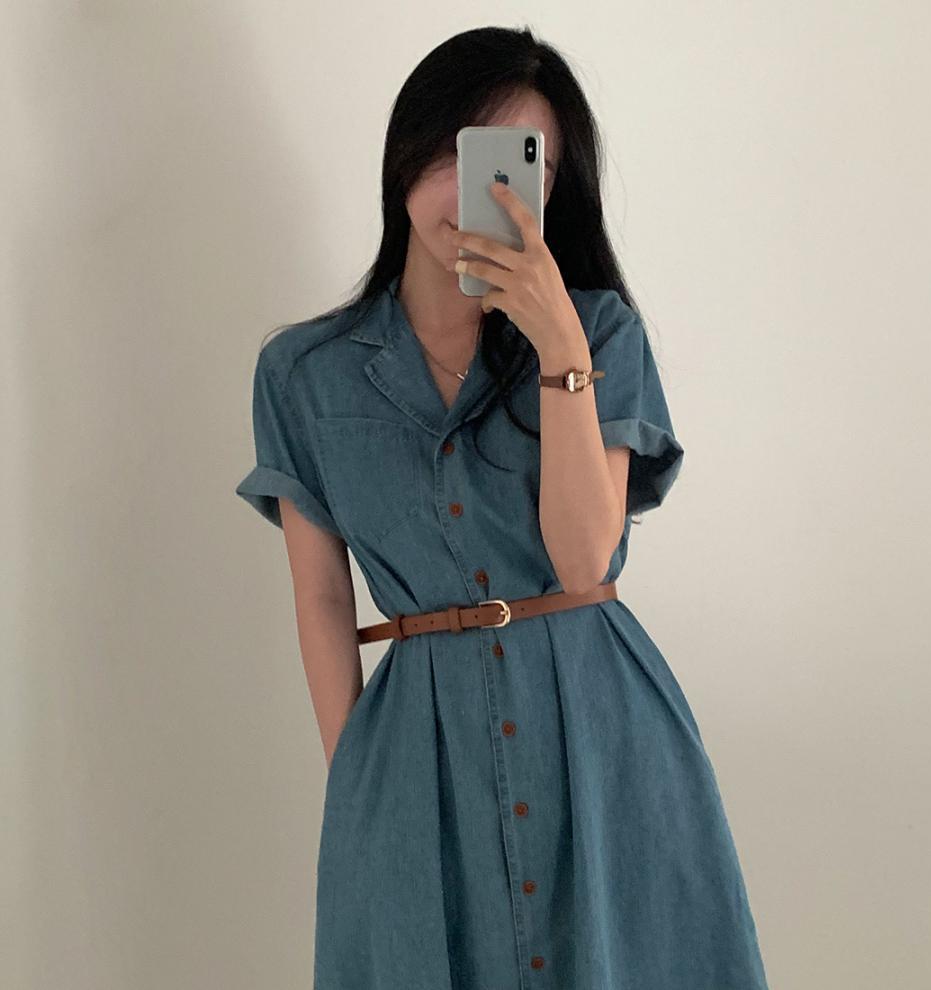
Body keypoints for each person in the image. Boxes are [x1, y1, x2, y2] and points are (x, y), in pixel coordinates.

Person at [235, 24, 770, 990]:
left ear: (550, 190)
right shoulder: (302, 373)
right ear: (404, 155)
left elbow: (583, 561)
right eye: (453, 152)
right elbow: (321, 597)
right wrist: (358, 780)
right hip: (416, 743)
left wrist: (562, 349)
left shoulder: (601, 333)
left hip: (600, 728)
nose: (471, 191)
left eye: (515, 165)